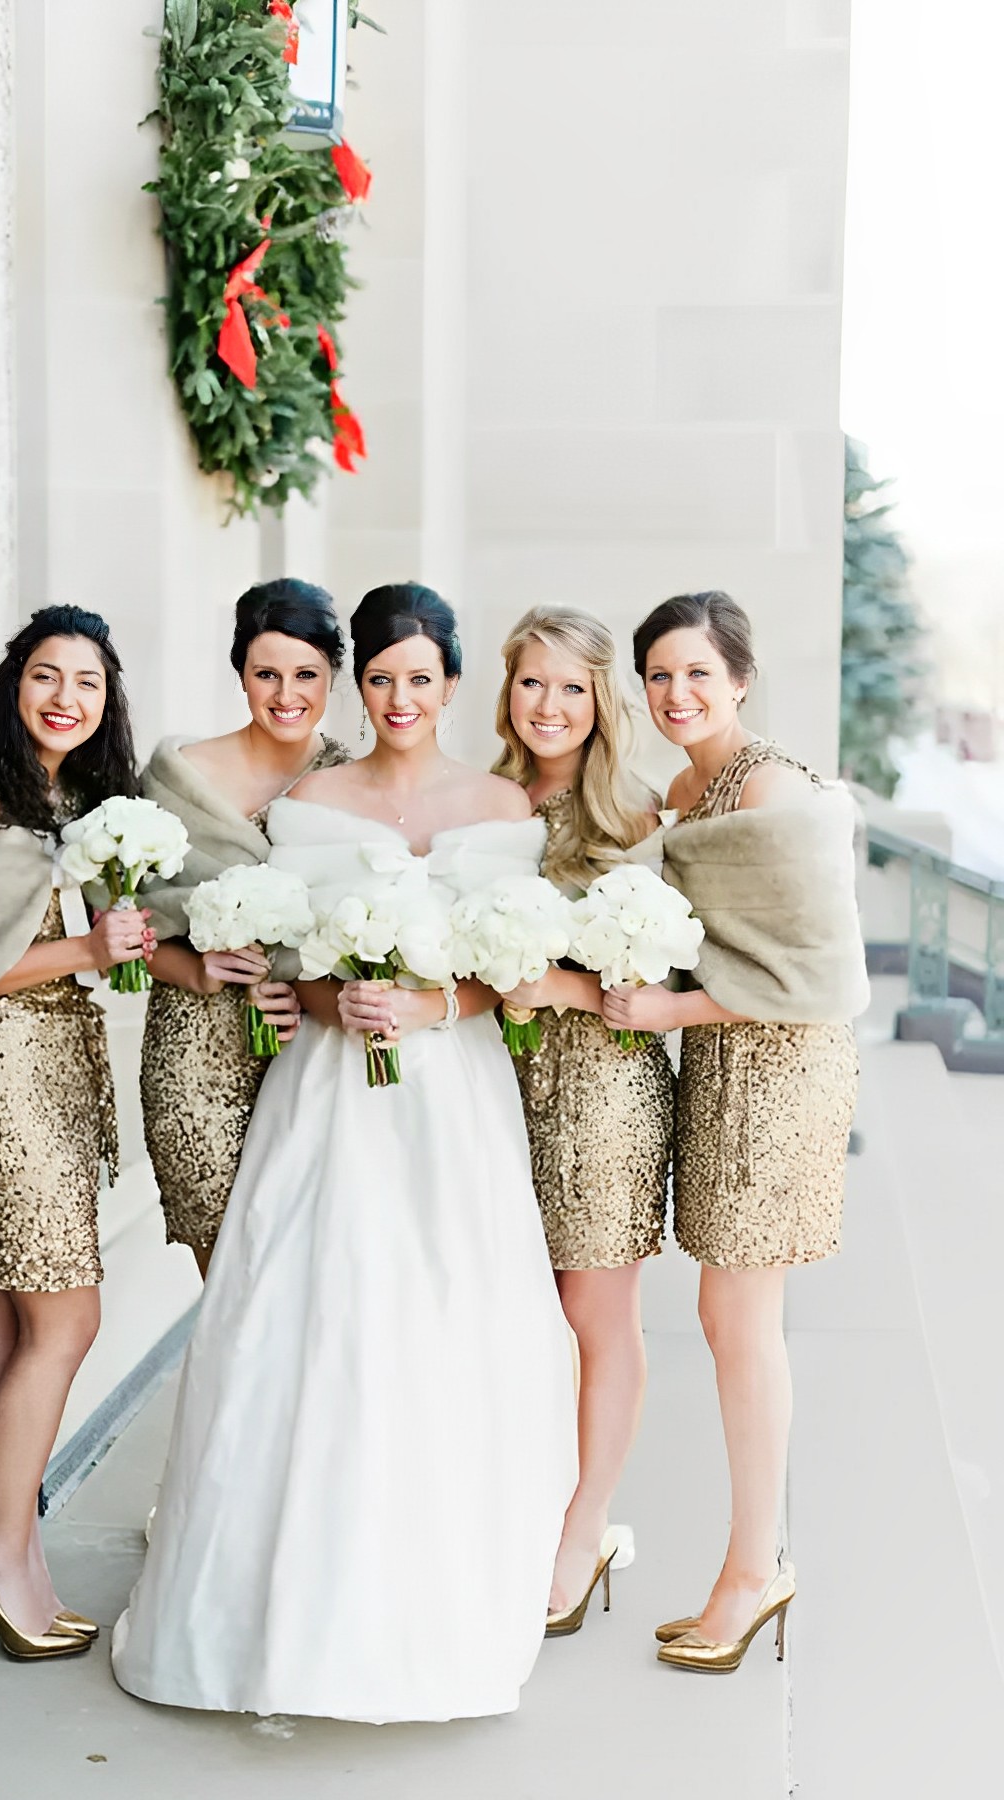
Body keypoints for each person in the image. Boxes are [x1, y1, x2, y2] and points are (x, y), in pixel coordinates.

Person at [112, 582, 577, 1722]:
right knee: (310, 1319)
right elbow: (292, 960)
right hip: (329, 1093)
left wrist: (438, 1003)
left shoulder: (503, 804)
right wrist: (335, 999)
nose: (401, 697)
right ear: (357, 685)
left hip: (453, 1096)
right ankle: (275, 1600)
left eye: (422, 678)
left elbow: (510, 969)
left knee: (443, 1314)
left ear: (453, 684)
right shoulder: (313, 800)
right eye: (380, 678)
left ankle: (443, 1596)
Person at [604, 591, 867, 1674]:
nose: (676, 694)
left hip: (782, 1069)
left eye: (697, 674)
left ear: (742, 678)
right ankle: (752, 1564)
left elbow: (818, 979)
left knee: (736, 1320)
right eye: (659, 675)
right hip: (721, 1064)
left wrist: (667, 1009)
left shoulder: (770, 787)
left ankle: (754, 1570)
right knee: (727, 1319)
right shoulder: (683, 784)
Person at [0, 605, 152, 1661]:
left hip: (53, 1070)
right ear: (15, 683)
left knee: (8, 1323)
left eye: (86, 683)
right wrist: (92, 947)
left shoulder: (71, 799)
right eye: (47, 675)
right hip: (2, 1072)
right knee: (68, 1321)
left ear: (106, 701)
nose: (65, 696)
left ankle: (17, 1553)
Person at [493, 605, 674, 1634]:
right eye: (533, 682)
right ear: (509, 692)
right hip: (499, 1091)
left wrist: (558, 982)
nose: (551, 705)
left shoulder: (638, 817)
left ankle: (584, 1522)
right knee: (516, 1312)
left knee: (595, 1317)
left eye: (572, 686)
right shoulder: (487, 806)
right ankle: (518, 1502)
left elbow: (661, 965)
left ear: (601, 699)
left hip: (605, 1090)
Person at [138, 580, 349, 1280]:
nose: (286, 694)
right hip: (194, 1058)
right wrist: (196, 970)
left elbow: (368, 937)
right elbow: (131, 926)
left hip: (312, 1056)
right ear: (241, 676)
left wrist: (306, 987)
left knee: (306, 1279)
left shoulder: (352, 783)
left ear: (333, 677)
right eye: (266, 674)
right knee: (230, 1283)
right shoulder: (176, 778)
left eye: (306, 675)